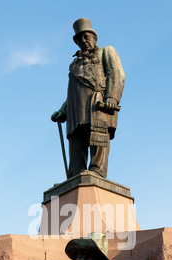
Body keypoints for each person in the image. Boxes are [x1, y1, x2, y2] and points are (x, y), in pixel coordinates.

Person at [51, 18, 125, 179]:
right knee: (76, 142)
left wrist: (112, 97)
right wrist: (62, 110)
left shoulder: (106, 51)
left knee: (98, 141)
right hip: (76, 110)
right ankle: (75, 174)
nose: (83, 41)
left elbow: (117, 74)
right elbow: (72, 91)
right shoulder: (74, 64)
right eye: (79, 39)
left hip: (97, 104)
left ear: (94, 38)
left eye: (86, 37)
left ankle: (97, 171)